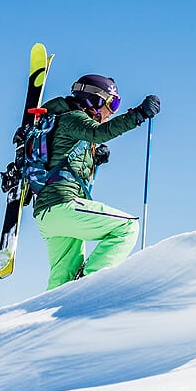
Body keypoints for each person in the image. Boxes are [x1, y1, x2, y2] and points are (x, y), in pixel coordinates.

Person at [32, 74, 161, 289]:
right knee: (127, 227)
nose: (112, 112)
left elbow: (66, 159)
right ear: (94, 99)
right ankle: (89, 287)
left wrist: (95, 160)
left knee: (62, 281)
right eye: (112, 103)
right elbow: (99, 133)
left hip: (49, 214)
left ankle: (54, 320)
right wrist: (137, 115)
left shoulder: (61, 122)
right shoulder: (72, 118)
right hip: (63, 204)